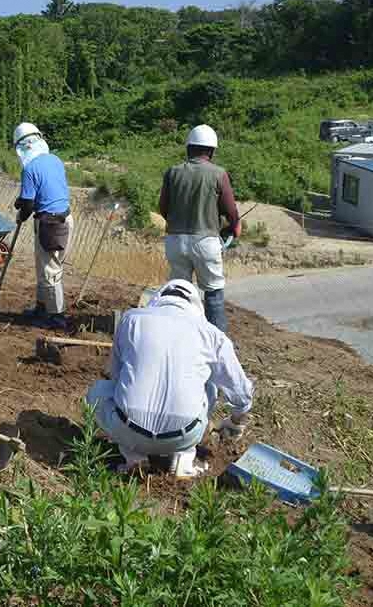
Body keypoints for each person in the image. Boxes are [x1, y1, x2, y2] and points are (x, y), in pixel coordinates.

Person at [85, 279, 255, 478]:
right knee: (209, 387)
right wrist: (235, 421)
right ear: (196, 307)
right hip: (184, 435)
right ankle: (184, 458)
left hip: (127, 429)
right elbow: (242, 394)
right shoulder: (213, 335)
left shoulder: (131, 319)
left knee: (98, 391)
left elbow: (114, 373)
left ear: (157, 299)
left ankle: (133, 457)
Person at [158, 124, 240, 331]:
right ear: (211, 151)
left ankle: (179, 335)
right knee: (213, 293)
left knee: (179, 295)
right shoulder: (219, 174)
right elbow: (230, 211)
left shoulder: (172, 172)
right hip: (205, 242)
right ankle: (216, 341)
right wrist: (234, 226)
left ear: (188, 148)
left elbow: (163, 208)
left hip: (175, 242)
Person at [11, 122, 72, 329]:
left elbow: (28, 205)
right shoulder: (55, 160)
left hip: (50, 222)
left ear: (21, 148)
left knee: (50, 271)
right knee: (43, 266)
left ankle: (57, 316)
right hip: (63, 218)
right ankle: (42, 307)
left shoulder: (29, 169)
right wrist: (23, 202)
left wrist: (22, 212)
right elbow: (45, 190)